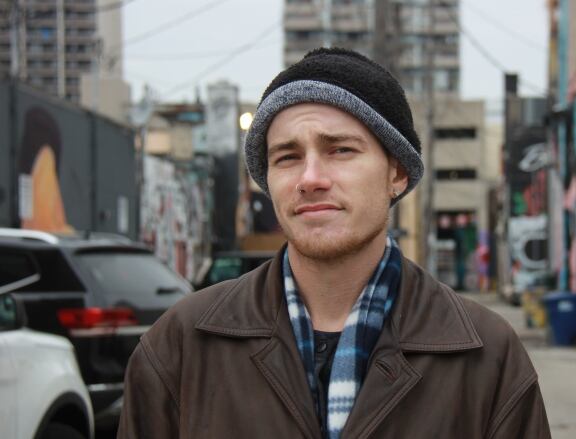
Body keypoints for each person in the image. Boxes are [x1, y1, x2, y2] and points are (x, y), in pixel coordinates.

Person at [119, 48, 550, 439]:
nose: (310, 179)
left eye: (340, 150)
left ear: (396, 174)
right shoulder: (181, 346)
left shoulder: (484, 355)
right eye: (287, 157)